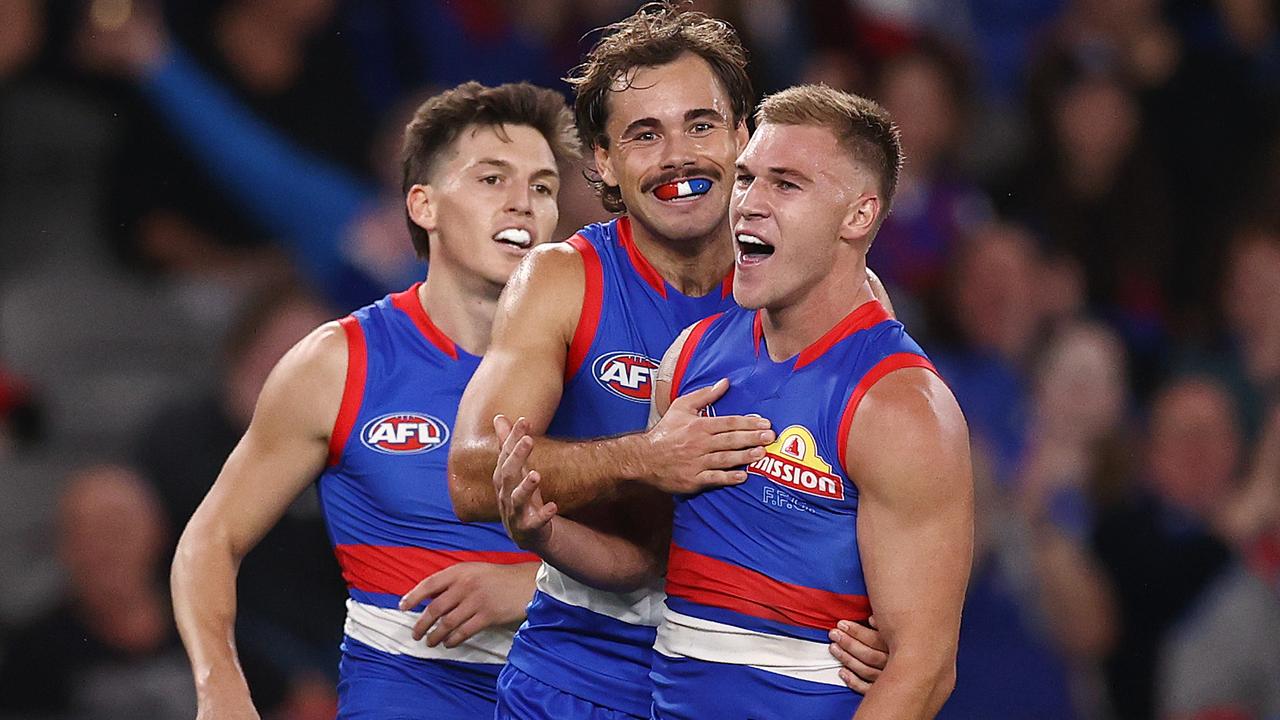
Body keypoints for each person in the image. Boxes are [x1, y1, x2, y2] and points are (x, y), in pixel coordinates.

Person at [447, 6, 893, 718]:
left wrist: (880, 623)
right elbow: (473, 475)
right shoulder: (564, 280)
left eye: (701, 125)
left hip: (746, 687)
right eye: (644, 134)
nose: (679, 156)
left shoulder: (836, 290)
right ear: (603, 163)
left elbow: (897, 485)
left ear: (743, 136)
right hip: (581, 677)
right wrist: (643, 457)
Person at [494, 84, 974, 718]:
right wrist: (541, 532)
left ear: (858, 216)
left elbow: (922, 670)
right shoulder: (689, 358)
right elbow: (646, 563)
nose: (749, 205)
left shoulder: (901, 407)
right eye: (746, 178)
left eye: (787, 184)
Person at [170, 81, 581, 719]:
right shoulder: (338, 364)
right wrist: (218, 683)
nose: (522, 205)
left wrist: (534, 586)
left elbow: (696, 555)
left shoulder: (606, 369)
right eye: (492, 180)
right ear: (423, 205)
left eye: (543, 187)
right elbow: (210, 539)